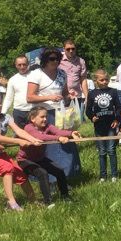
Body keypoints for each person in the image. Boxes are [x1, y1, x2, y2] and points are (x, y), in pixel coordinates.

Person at [0, 94, 40, 212]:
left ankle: (34, 201)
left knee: (20, 174)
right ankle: (11, 203)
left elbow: (18, 130)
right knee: (7, 168)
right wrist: (19, 141)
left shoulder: (6, 117)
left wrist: (32, 139)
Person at [27, 48, 79, 178]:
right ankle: (47, 177)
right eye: (51, 59)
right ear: (45, 60)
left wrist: (70, 95)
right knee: (49, 146)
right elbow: (30, 97)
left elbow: (65, 93)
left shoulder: (62, 73)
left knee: (65, 144)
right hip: (43, 115)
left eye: (57, 59)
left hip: (60, 114)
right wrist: (49, 97)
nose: (55, 61)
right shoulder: (36, 74)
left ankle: (66, 174)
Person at [21, 107, 80, 201]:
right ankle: (48, 201)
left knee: (59, 171)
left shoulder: (47, 126)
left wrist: (71, 133)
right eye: (42, 117)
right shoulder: (29, 128)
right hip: (25, 160)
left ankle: (65, 196)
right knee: (43, 173)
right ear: (33, 118)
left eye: (46, 116)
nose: (45, 119)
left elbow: (58, 131)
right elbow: (40, 137)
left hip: (40, 159)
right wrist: (58, 138)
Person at [86, 69, 121, 182]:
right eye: (102, 80)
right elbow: (88, 110)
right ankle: (103, 176)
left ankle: (114, 174)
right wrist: (92, 117)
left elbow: (119, 107)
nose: (105, 82)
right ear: (96, 81)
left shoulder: (113, 92)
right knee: (101, 151)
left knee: (111, 149)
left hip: (111, 125)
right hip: (99, 126)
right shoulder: (92, 94)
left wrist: (117, 119)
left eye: (106, 80)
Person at [59, 39, 88, 122]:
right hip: (62, 95)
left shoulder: (81, 61)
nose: (71, 51)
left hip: (76, 95)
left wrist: (86, 96)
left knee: (76, 120)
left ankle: (74, 134)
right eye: (68, 49)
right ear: (63, 49)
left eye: (73, 48)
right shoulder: (58, 60)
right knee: (63, 119)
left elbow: (83, 79)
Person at [2, 55, 34, 128]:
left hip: (34, 111)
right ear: (16, 65)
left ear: (28, 64)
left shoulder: (35, 75)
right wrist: (3, 112)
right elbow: (8, 98)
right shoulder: (12, 80)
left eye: (24, 64)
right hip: (19, 112)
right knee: (20, 136)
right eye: (19, 65)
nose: (22, 67)